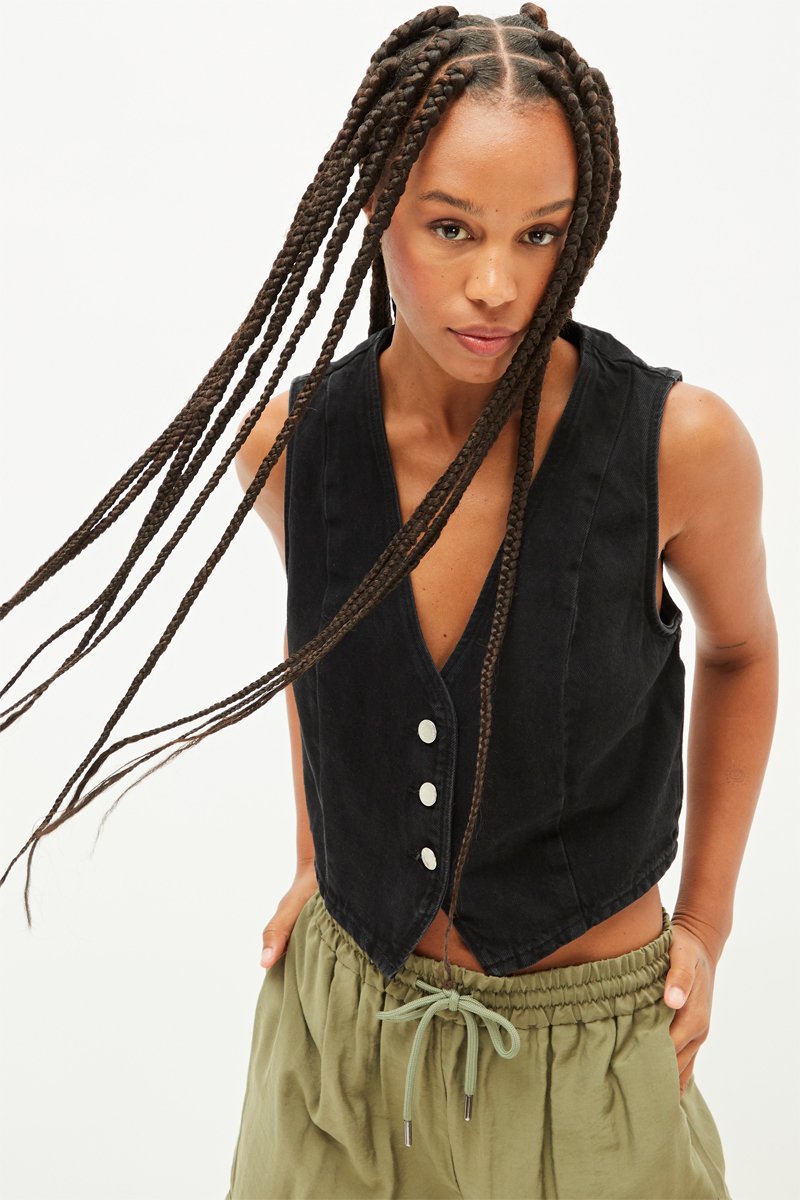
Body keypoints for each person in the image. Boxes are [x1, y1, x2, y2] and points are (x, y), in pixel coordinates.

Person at [0, 6, 777, 1200]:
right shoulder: (292, 443)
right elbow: (323, 654)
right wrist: (320, 858)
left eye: (541, 234)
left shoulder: (675, 445)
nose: (494, 284)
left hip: (584, 1061)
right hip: (338, 1047)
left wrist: (708, 928)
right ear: (376, 209)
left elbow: (739, 649)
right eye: (450, 226)